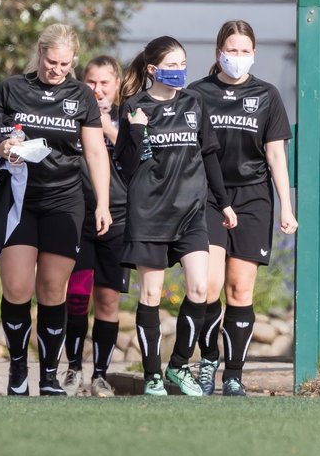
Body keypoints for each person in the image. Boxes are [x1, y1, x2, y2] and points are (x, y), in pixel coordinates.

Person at [0, 24, 112, 397]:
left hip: (64, 199)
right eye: (52, 61)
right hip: (18, 198)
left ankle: (49, 375)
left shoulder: (80, 95)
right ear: (40, 54)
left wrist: (102, 201)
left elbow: (96, 151)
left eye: (65, 64)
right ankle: (18, 370)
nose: (57, 70)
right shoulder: (12, 88)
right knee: (17, 288)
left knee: (53, 290)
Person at [115, 36, 236, 397]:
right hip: (149, 214)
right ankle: (152, 374)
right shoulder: (135, 106)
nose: (178, 70)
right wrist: (136, 131)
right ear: (152, 70)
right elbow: (125, 164)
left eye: (182, 63)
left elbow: (210, 155)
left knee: (200, 288)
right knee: (150, 294)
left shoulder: (194, 103)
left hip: (191, 212)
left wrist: (224, 202)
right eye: (171, 65)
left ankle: (179, 364)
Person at [190, 20, 296, 396]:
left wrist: (287, 206)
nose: (237, 58)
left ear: (254, 53)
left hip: (253, 197)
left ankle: (234, 374)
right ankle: (207, 362)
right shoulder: (197, 93)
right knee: (207, 286)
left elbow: (275, 155)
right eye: (231, 50)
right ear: (218, 52)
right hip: (208, 198)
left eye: (244, 51)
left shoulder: (266, 95)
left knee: (239, 290)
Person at [61, 55, 129, 398]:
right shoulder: (70, 115)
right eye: (91, 82)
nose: (97, 90)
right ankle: (73, 369)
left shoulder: (128, 118)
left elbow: (139, 160)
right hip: (77, 216)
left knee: (107, 300)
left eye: (104, 83)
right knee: (76, 297)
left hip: (118, 219)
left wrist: (107, 128)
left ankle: (101, 375)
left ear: (116, 86)